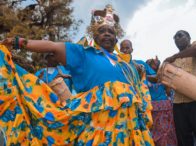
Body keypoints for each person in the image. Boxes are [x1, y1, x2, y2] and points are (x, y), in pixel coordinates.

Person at [0, 4, 154, 145]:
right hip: (96, 131)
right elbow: (52, 46)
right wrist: (17, 42)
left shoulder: (126, 66)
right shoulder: (83, 54)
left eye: (111, 32)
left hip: (127, 131)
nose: (107, 34)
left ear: (116, 38)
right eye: (101, 31)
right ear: (94, 36)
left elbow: (140, 95)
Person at [164, 30, 196, 146]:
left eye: (180, 35)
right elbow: (163, 79)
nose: (177, 38)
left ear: (189, 37)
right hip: (178, 104)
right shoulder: (173, 61)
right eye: (174, 37)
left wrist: (174, 56)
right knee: (183, 140)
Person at [146, 57, 178, 146]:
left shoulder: (145, 77)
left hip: (159, 108)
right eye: (151, 62)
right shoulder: (159, 77)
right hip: (158, 107)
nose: (153, 64)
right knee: (163, 132)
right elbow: (168, 92)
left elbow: (168, 91)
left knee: (161, 132)